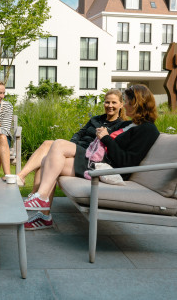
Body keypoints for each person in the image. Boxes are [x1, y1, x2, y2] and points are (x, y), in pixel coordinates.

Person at [23, 84, 159, 230]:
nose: (124, 105)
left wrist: (106, 138)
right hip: (98, 161)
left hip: (108, 169)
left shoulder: (148, 129)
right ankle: (44, 216)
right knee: (46, 161)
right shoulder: (130, 124)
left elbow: (126, 162)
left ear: (137, 103)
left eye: (127, 102)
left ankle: (41, 196)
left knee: (58, 145)